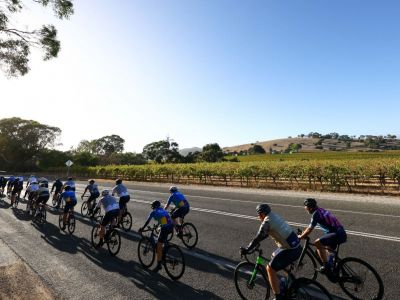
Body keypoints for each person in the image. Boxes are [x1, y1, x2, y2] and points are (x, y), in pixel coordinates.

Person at [240, 204, 301, 300]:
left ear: (262, 214)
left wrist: (247, 249)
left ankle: (278, 296)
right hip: (295, 245)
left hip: (290, 249)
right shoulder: (274, 215)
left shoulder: (267, 222)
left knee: (270, 268)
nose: (258, 217)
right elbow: (265, 235)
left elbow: (258, 236)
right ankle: (289, 282)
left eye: (258, 215)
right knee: (274, 255)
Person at [298, 198, 347, 273]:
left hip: (337, 234)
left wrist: (301, 237)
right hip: (339, 232)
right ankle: (336, 269)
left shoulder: (316, 214)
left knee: (317, 243)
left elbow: (309, 229)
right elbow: (309, 227)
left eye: (306, 208)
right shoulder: (320, 210)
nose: (305, 209)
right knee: (327, 250)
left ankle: (326, 266)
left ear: (310, 208)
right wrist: (303, 233)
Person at [139, 200, 173, 273]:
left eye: (153, 205)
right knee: (162, 241)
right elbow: (163, 219)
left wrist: (142, 229)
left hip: (165, 228)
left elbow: (147, 222)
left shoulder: (153, 212)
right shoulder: (163, 210)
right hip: (170, 226)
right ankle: (164, 254)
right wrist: (158, 226)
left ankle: (158, 266)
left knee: (158, 245)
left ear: (154, 206)